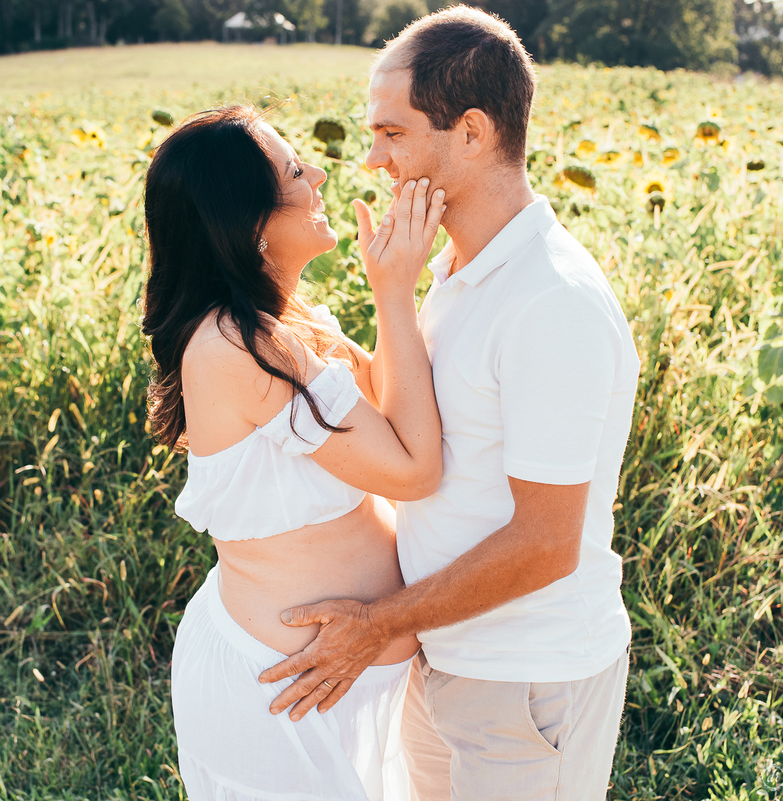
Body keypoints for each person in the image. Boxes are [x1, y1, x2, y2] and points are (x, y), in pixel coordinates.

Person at [258, 7, 641, 801]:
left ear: (471, 133)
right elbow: (429, 421)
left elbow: (545, 543)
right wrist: (312, 330)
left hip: (527, 684)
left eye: (392, 135)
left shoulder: (549, 301)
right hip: (445, 662)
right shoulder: (460, 272)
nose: (372, 160)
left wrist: (379, 622)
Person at [139, 104, 447, 800]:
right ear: (251, 226)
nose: (320, 174)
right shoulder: (241, 348)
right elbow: (413, 468)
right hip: (281, 697)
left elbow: (392, 410)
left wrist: (394, 293)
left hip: (336, 684)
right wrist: (393, 292)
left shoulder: (290, 322)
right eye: (294, 170)